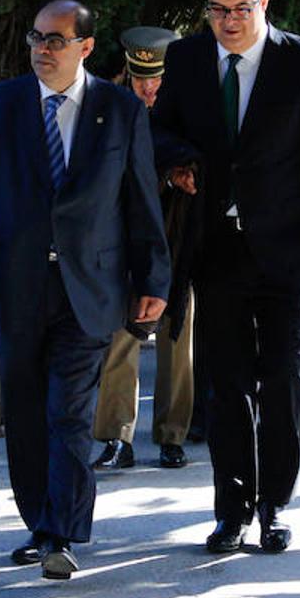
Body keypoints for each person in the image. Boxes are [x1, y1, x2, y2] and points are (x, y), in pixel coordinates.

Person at [0, 0, 169, 580]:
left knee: (69, 412)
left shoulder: (119, 111)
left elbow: (141, 203)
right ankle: (39, 521)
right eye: (36, 38)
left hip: (88, 288)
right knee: (24, 411)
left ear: (86, 47)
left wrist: (154, 281)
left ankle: (61, 532)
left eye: (57, 40)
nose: (44, 49)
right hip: (16, 286)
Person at [151, 0, 300, 554]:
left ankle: (274, 505)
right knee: (226, 382)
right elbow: (160, 129)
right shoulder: (187, 58)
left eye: (241, 8)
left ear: (263, 4)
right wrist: (179, 162)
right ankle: (231, 509)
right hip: (218, 250)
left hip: (290, 250)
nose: (229, 21)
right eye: (218, 9)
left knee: (284, 378)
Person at [91, 26, 196, 471]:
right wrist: (166, 176)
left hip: (177, 244)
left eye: (156, 81)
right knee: (120, 341)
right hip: (125, 246)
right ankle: (117, 437)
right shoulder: (109, 114)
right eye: (140, 80)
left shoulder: (187, 113)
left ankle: (172, 437)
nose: (148, 89)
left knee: (179, 342)